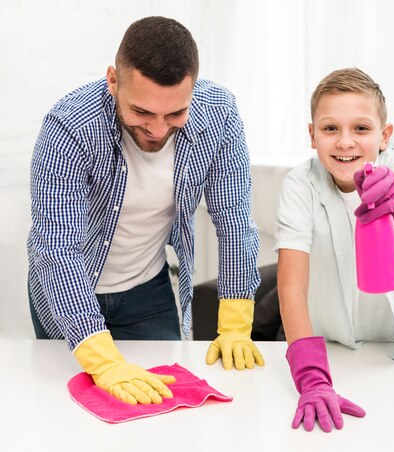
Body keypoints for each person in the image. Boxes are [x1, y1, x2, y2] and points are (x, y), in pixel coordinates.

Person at [27, 16, 264, 406]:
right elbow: (57, 249)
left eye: (174, 115)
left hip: (147, 292)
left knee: (165, 407)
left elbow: (235, 220)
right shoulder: (68, 127)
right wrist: (103, 362)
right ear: (113, 80)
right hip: (66, 292)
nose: (157, 129)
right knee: (70, 414)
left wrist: (236, 320)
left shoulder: (219, 116)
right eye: (142, 112)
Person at [275, 68, 394, 432]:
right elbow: (291, 287)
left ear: (384, 136)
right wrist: (312, 377)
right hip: (334, 350)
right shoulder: (300, 186)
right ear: (312, 135)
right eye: (330, 128)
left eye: (361, 129)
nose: (345, 142)